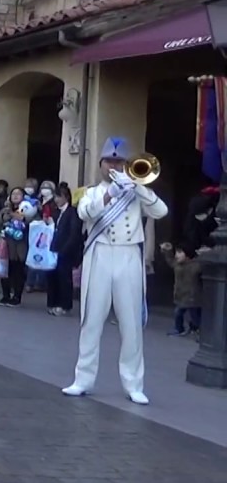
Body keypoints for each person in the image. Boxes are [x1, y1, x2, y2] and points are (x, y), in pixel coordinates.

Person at [63, 137, 168, 405]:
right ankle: (82, 380)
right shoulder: (92, 192)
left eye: (119, 161)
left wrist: (138, 186)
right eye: (110, 161)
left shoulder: (136, 191)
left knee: (131, 322)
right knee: (91, 319)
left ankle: (134, 384)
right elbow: (85, 213)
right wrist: (111, 194)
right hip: (99, 254)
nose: (114, 166)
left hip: (129, 254)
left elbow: (161, 211)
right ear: (100, 163)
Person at [47, 187, 83, 316]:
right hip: (53, 249)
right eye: (55, 197)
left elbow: (74, 234)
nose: (56, 200)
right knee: (51, 276)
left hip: (65, 250)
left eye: (59, 196)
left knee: (64, 278)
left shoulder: (73, 212)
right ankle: (52, 302)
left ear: (66, 197)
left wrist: (65, 249)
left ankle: (65, 305)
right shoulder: (55, 213)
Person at [160, 242, 202, 337]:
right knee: (181, 313)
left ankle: (196, 329)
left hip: (192, 296)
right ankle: (181, 328)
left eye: (179, 252)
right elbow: (170, 261)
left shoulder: (195, 265)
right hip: (181, 295)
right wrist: (167, 251)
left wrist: (202, 255)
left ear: (187, 254)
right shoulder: (177, 265)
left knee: (193, 315)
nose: (176, 255)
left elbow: (203, 266)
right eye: (176, 252)